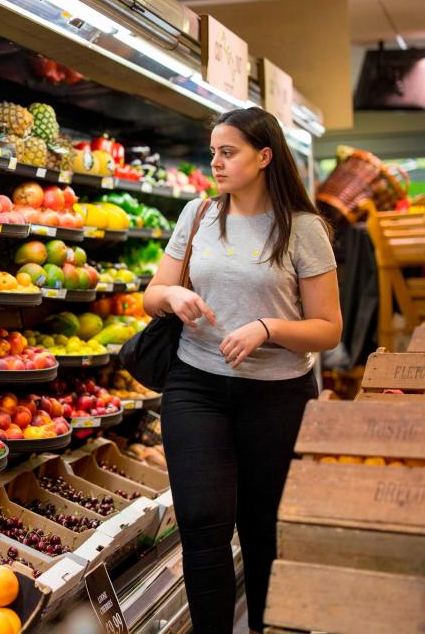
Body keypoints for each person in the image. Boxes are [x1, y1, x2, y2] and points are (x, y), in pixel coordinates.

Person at [143, 107, 342, 634]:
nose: (216, 162)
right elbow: (151, 296)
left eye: (227, 152)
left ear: (264, 156)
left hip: (277, 396)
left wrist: (267, 328)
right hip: (195, 386)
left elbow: (328, 328)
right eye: (213, 151)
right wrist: (174, 294)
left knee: (262, 529)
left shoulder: (303, 229)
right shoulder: (198, 214)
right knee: (202, 525)